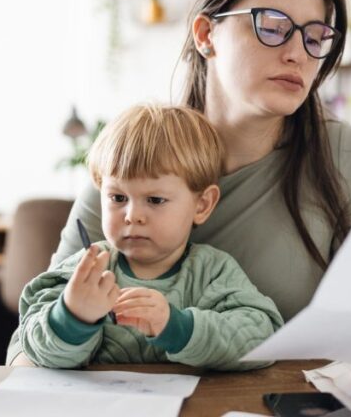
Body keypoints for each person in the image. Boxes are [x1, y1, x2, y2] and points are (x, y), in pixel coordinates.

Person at [8, 0, 351, 375]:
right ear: (206, 35)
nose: (297, 54)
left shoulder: (341, 154)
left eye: (314, 37)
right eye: (272, 26)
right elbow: (31, 341)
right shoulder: (135, 155)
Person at [18, 105, 283, 370]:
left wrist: (177, 327)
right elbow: (32, 344)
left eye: (155, 200)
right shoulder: (84, 270)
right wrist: (72, 317)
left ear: (202, 205)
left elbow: (261, 339)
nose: (132, 216)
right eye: (118, 198)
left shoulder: (212, 272)